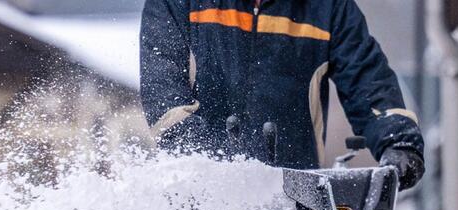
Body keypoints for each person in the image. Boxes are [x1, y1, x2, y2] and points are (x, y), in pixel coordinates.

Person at [140, 0, 425, 189]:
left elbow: (366, 76)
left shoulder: (328, 8)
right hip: (202, 198)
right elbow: (163, 88)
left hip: (295, 201)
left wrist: (397, 141)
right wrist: (208, 159)